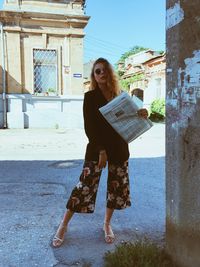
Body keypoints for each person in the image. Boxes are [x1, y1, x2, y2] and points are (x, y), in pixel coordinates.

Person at [52, 57, 148, 247]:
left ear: (110, 73)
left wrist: (142, 114)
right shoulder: (90, 98)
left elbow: (131, 116)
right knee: (84, 187)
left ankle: (106, 224)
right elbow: (90, 128)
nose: (102, 73)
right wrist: (101, 151)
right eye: (98, 71)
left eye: (104, 70)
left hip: (119, 149)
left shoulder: (119, 95)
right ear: (93, 76)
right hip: (97, 149)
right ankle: (63, 226)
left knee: (115, 189)